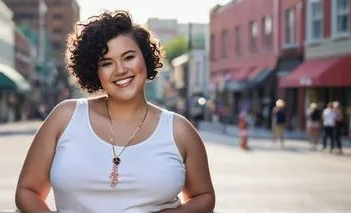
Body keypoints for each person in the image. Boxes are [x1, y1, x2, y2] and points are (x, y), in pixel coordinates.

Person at [15, 11, 215, 212]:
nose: (120, 70)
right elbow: (27, 191)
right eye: (106, 63)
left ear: (145, 58)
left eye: (128, 57)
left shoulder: (179, 131)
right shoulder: (65, 117)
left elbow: (203, 196)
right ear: (95, 71)